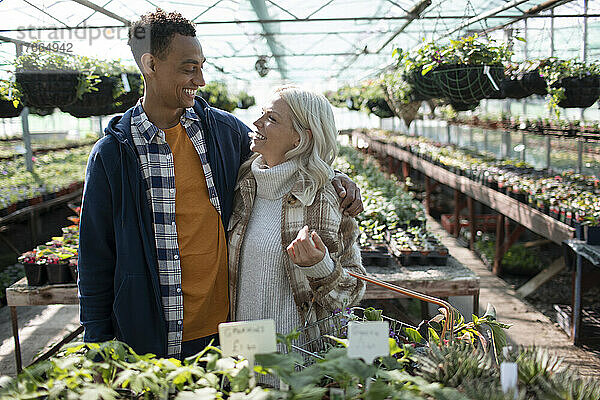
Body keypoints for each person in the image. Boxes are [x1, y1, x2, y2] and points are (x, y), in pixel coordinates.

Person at [77, 9, 363, 360]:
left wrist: (335, 178)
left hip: (227, 332)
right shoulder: (113, 155)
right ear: (150, 64)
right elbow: (95, 258)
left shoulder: (223, 133)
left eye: (201, 66)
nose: (200, 79)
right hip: (151, 337)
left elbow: (286, 152)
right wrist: (96, 345)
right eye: (188, 68)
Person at [228, 86, 366, 353]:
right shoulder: (241, 185)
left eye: (272, 119)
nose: (257, 123)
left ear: (300, 138)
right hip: (243, 351)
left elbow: (355, 291)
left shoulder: (325, 199)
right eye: (261, 114)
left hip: (300, 361)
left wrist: (320, 267)